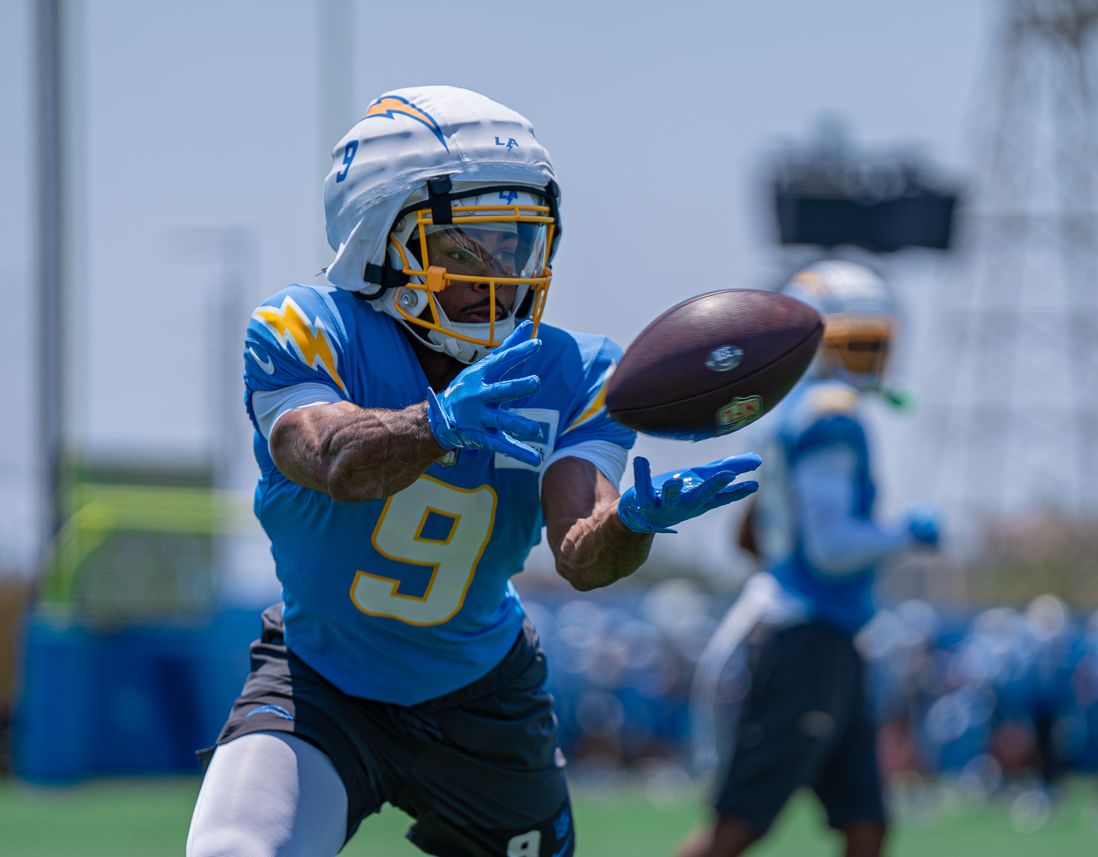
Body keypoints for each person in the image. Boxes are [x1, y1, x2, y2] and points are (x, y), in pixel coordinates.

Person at [186, 85, 761, 857]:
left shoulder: (575, 371)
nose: (504, 272)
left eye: (519, 244)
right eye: (469, 246)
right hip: (319, 676)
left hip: (483, 696)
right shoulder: (307, 329)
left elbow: (582, 552)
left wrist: (629, 524)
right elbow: (326, 455)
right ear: (379, 238)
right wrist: (436, 423)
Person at [677, 259, 941, 857]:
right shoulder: (832, 415)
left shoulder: (786, 415)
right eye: (861, 342)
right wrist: (907, 532)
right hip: (807, 637)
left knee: (866, 824)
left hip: (820, 633)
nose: (873, 358)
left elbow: (747, 538)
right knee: (740, 826)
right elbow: (832, 548)